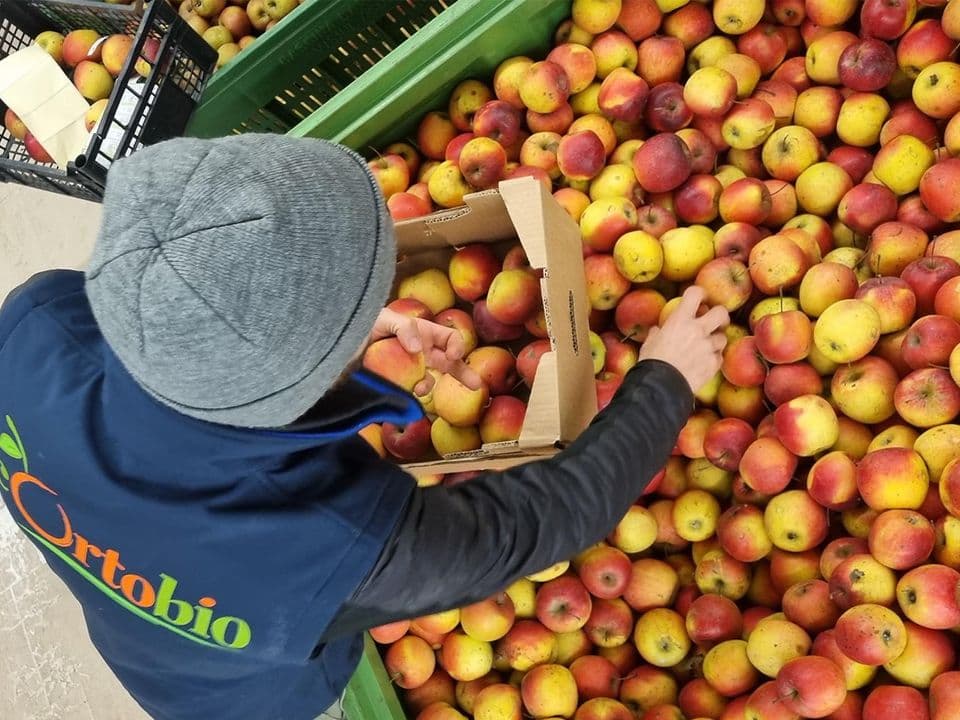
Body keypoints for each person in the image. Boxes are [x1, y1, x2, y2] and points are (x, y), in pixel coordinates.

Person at [0, 134, 728, 720]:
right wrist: (665, 382)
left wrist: (329, 334)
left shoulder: (29, 327)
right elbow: (534, 522)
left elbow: (173, 327)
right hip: (244, 701)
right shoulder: (320, 544)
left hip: (132, 617)